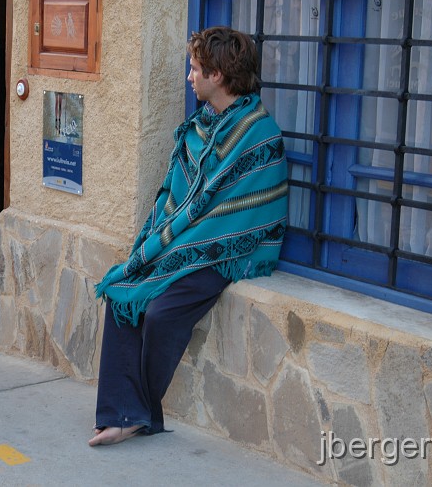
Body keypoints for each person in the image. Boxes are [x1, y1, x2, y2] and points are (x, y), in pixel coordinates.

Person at [88, 26, 289, 446]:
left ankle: (135, 414)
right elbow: (177, 195)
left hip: (225, 251)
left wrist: (190, 240)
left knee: (160, 314)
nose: (189, 76)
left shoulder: (258, 133)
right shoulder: (199, 127)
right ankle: (124, 413)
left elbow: (251, 210)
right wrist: (168, 240)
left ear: (218, 75)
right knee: (124, 291)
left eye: (196, 68)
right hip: (184, 244)